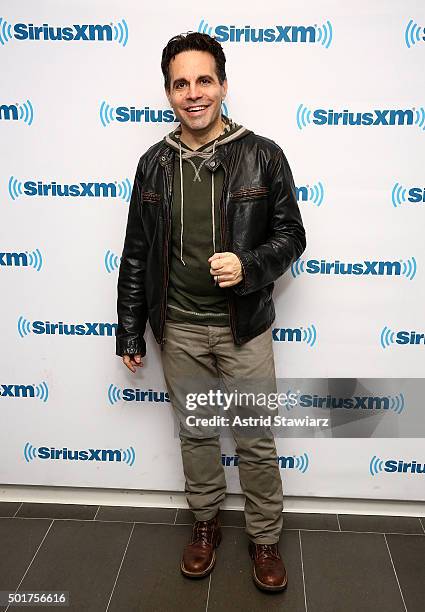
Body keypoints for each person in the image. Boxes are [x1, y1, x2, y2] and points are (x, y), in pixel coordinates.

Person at [116, 32, 306, 592]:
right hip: (178, 328)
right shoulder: (153, 164)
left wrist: (249, 265)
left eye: (204, 80)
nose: (193, 93)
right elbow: (136, 253)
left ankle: (265, 537)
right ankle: (205, 526)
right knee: (196, 434)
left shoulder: (262, 153)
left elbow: (293, 237)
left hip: (242, 329)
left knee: (253, 436)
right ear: (168, 93)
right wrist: (130, 327)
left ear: (223, 84)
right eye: (181, 84)